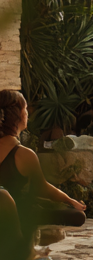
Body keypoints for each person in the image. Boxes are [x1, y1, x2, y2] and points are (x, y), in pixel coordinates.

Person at [0, 89, 87, 231]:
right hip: (20, 213)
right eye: (25, 109)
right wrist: (69, 200)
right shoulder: (23, 154)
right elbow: (42, 189)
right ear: (19, 116)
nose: (28, 113)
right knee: (78, 215)